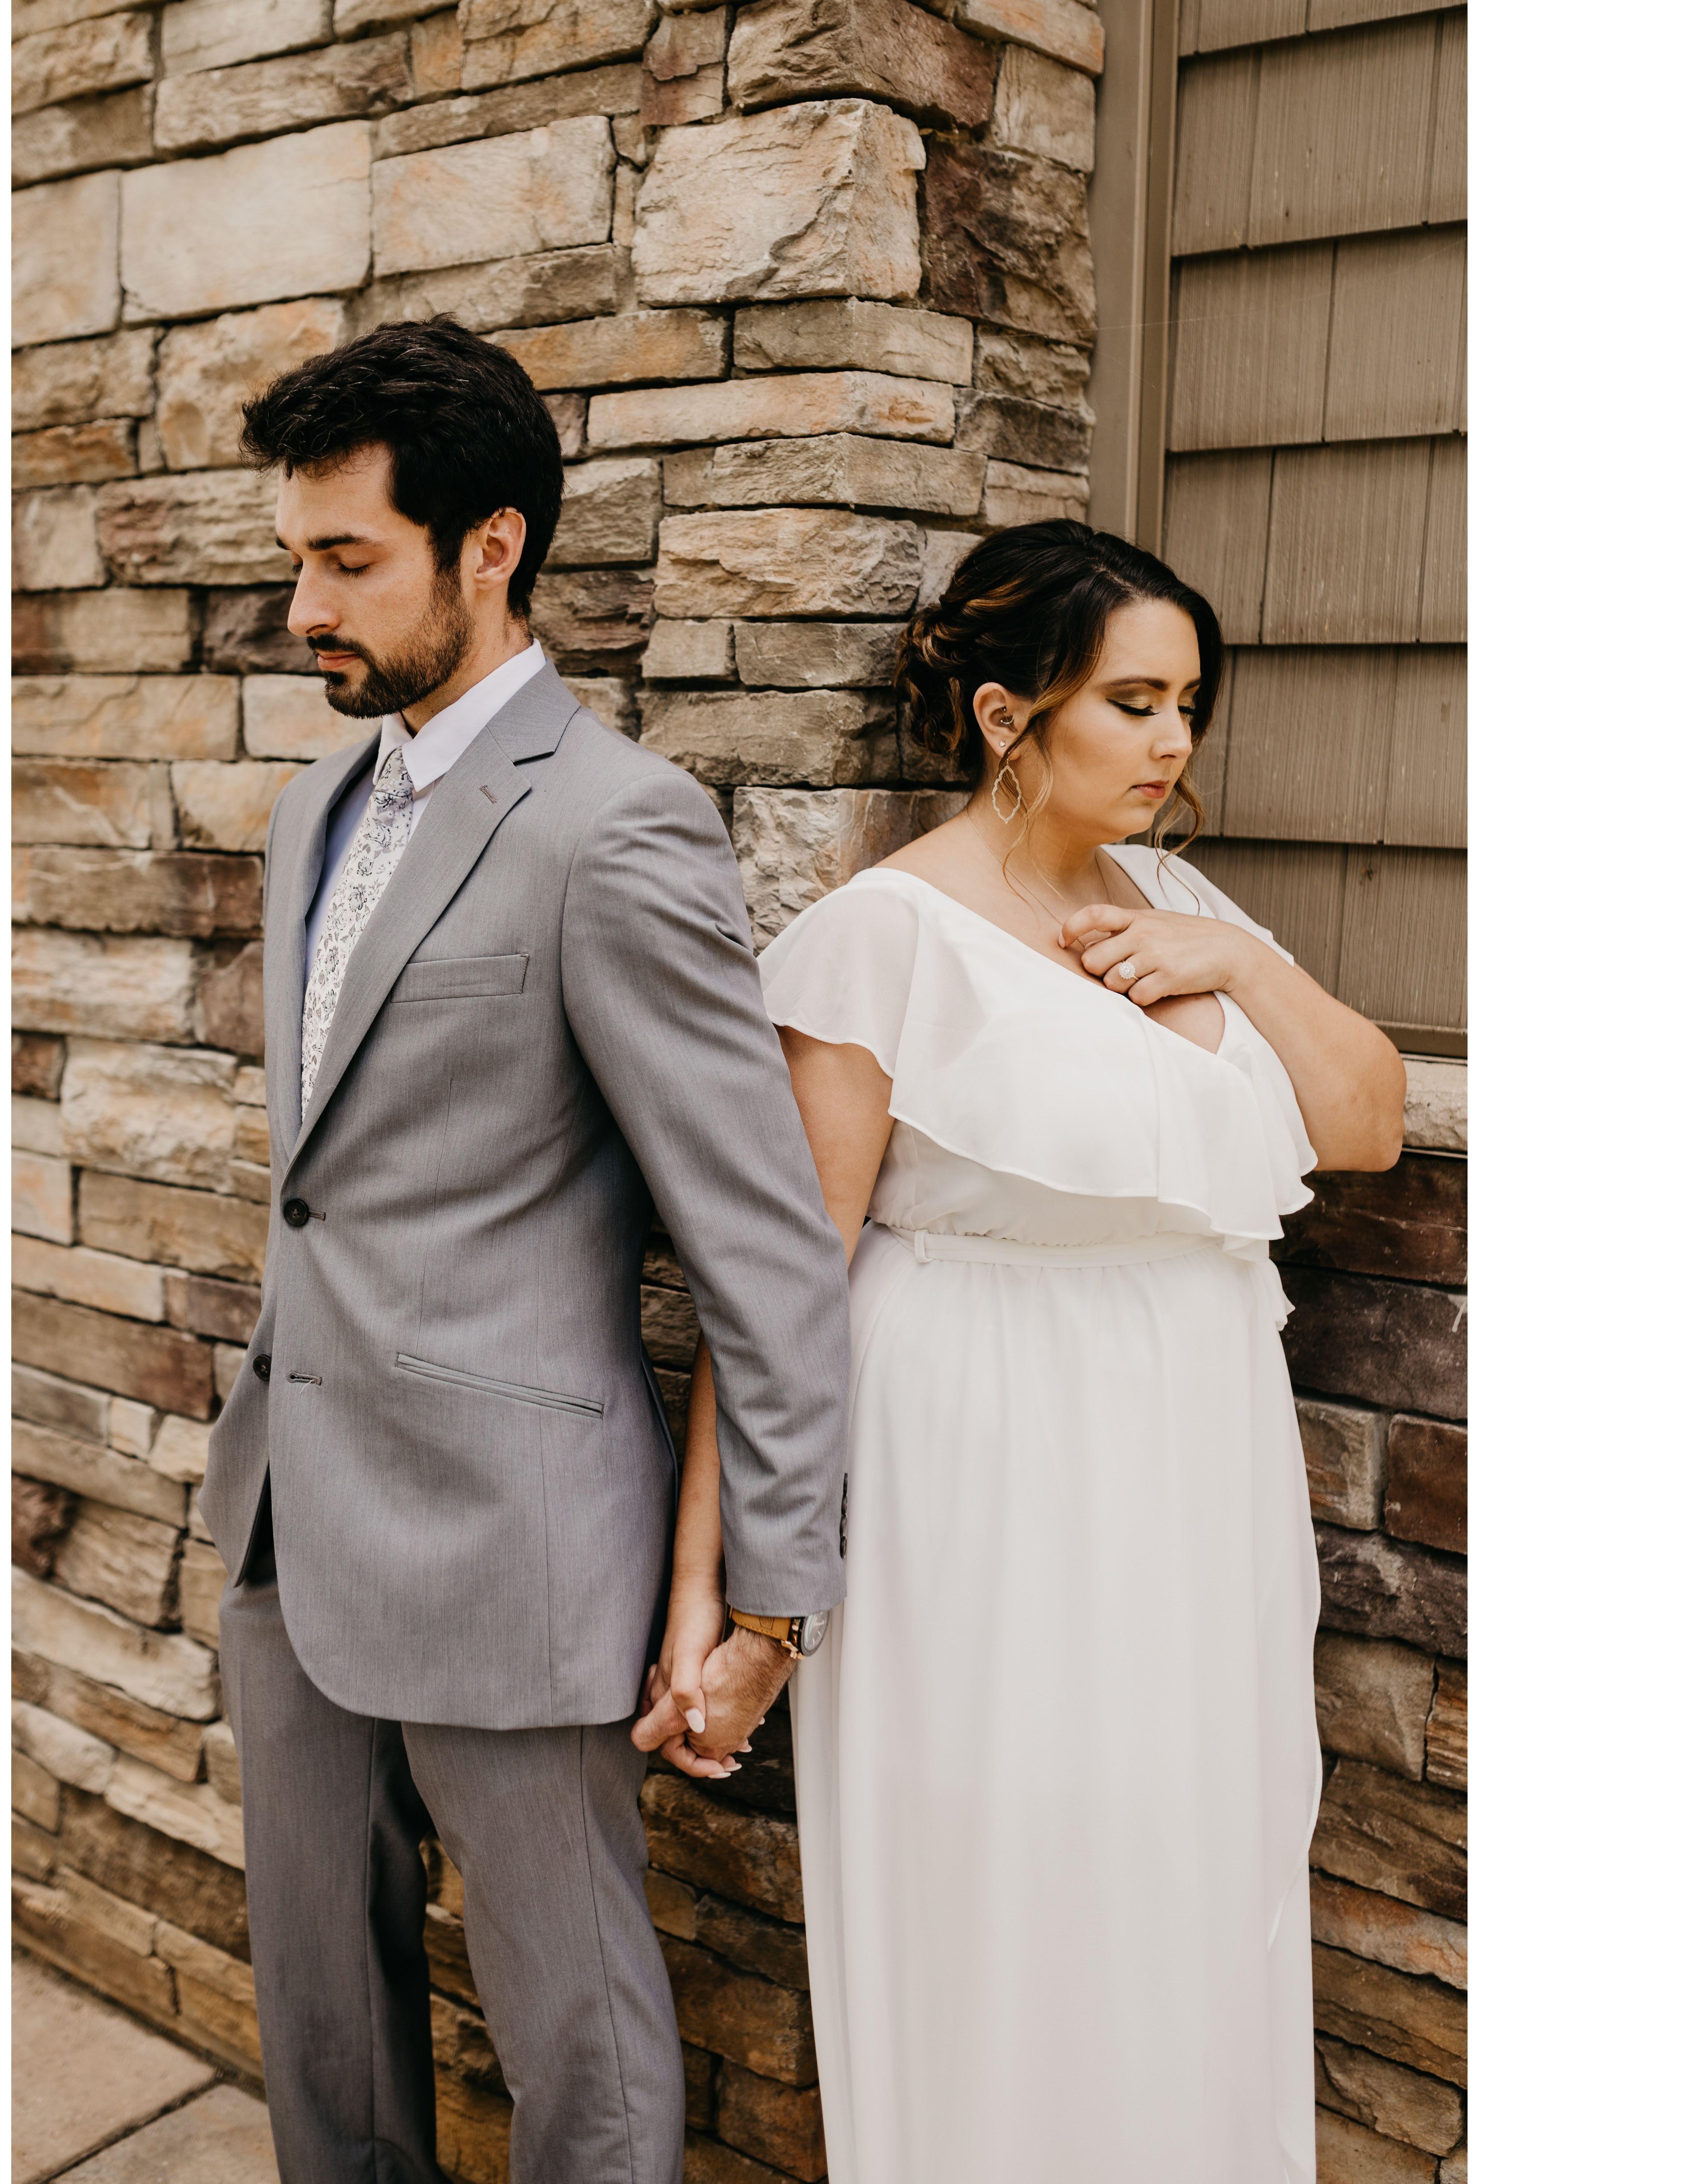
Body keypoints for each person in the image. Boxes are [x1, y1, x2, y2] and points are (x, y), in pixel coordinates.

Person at [645, 523, 1406, 2181]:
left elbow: (1362, 1123)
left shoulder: (1179, 899)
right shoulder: (879, 938)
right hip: (989, 1454)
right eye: (1130, 701)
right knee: (1013, 1876)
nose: (1170, 743)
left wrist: (1241, 960)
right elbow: (778, 1284)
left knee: (1194, 1860)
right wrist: (717, 1592)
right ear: (1004, 711)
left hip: (1196, 1453)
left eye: (1185, 703)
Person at [198, 318, 852, 2184]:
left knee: (579, 2035)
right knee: (320, 2007)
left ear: (490, 547)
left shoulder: (615, 826)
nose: (301, 602)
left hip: (517, 1538)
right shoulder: (319, 799)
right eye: (295, 554)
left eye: (346, 561)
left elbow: (762, 1241)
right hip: (289, 1513)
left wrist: (769, 1605)